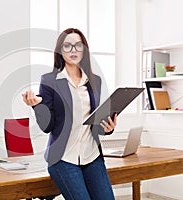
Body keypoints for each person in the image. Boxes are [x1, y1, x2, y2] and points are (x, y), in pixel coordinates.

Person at [22, 28, 117, 200]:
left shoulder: (95, 81)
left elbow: (93, 123)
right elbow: (47, 127)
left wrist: (108, 128)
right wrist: (38, 106)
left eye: (78, 45)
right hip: (63, 158)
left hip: (92, 155)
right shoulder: (49, 81)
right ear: (60, 50)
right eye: (67, 46)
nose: (73, 50)